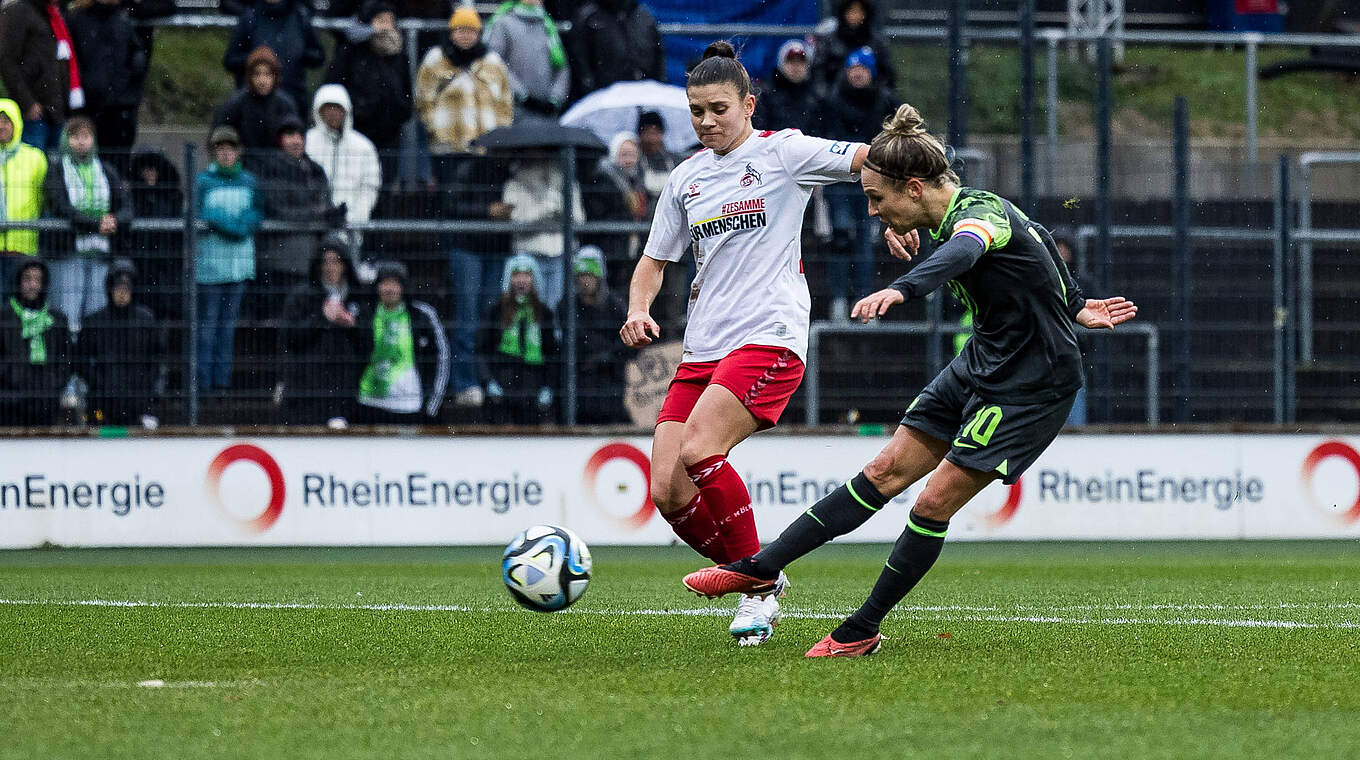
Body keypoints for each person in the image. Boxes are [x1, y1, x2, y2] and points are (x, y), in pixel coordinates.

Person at [682, 104, 1139, 658]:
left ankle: (861, 628)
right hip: (981, 362)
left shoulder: (976, 217)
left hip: (1030, 383)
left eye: (878, 199)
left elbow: (969, 248)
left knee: (932, 503)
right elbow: (1037, 234)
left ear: (915, 188)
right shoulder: (954, 216)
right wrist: (1073, 303)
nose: (874, 212)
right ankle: (760, 567)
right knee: (882, 471)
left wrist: (903, 288)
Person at [617, 41, 906, 646]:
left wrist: (900, 213)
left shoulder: (783, 153)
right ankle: (763, 574)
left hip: (768, 338)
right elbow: (653, 260)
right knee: (668, 492)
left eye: (718, 108)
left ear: (749, 104)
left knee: (701, 449)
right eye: (696, 111)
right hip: (703, 348)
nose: (706, 121)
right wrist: (638, 308)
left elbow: (865, 161)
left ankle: (754, 591)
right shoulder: (685, 179)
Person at [821, 45, 897, 319]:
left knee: (865, 241)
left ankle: (865, 302)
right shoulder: (832, 99)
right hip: (841, 182)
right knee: (841, 237)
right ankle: (840, 301)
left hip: (871, 183)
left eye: (862, 69)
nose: (857, 74)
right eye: (852, 69)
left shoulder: (885, 101)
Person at [42, 116, 131, 333]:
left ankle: (91, 366)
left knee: (96, 316)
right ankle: (68, 365)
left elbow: (127, 207)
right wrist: (96, 224)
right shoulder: (57, 170)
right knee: (67, 315)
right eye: (74, 136)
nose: (81, 142)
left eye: (86, 136)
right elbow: (61, 207)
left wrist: (114, 220)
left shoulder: (106, 171)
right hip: (68, 255)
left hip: (100, 255)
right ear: (66, 140)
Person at [195, 125, 262, 392]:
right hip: (210, 268)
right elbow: (202, 214)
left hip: (238, 267)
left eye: (229, 148)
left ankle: (221, 383)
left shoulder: (249, 182)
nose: (225, 153)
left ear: (238, 152)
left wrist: (227, 224)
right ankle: (203, 384)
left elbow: (255, 215)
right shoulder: (203, 182)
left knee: (227, 330)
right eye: (220, 149)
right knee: (208, 330)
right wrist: (235, 226)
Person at [323, 0, 412, 180]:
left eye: (389, 20)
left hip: (390, 133)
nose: (385, 26)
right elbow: (334, 86)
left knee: (385, 184)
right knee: (355, 180)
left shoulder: (399, 54)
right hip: (358, 130)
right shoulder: (350, 51)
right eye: (380, 20)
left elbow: (407, 92)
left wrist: (398, 110)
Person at [259, 115, 344, 307]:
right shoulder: (270, 169)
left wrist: (334, 214)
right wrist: (319, 214)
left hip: (311, 262)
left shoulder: (315, 170)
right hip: (280, 262)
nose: (296, 140)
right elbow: (279, 210)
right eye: (290, 135)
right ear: (280, 140)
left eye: (299, 135)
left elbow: (324, 205)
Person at [280, 237, 364, 426]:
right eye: (325, 261)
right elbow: (289, 337)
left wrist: (353, 326)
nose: (330, 267)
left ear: (345, 265)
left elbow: (368, 343)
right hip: (308, 390)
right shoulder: (301, 296)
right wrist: (321, 318)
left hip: (346, 390)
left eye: (336, 261)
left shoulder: (359, 296)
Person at [355, 260, 450, 424]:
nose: (389, 289)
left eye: (395, 283)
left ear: (404, 287)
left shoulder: (422, 315)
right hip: (369, 403)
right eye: (384, 283)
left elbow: (442, 358)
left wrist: (431, 405)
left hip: (410, 406)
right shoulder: (364, 313)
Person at [78, 258, 166, 428]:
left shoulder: (146, 320)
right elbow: (80, 360)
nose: (122, 293)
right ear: (109, 289)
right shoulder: (95, 321)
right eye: (117, 288)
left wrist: (147, 391)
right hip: (102, 403)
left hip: (139, 403)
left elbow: (157, 360)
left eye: (126, 288)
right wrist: (99, 383)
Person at [415, 6, 513, 155]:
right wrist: (434, 126)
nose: (465, 35)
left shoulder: (492, 61)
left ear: (479, 34)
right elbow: (423, 98)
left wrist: (499, 133)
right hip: (446, 144)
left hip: (485, 146)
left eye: (471, 31)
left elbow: (505, 101)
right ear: (451, 33)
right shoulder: (435, 58)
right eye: (460, 30)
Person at [65, 0, 149, 159]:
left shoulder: (123, 21)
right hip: (86, 107)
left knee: (116, 162)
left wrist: (123, 93)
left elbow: (136, 61)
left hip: (118, 109)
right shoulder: (77, 20)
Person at [501, 152, 585, 309]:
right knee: (532, 310)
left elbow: (579, 220)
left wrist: (561, 206)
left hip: (561, 256)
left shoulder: (568, 183)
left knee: (559, 309)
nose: (540, 160)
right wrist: (544, 211)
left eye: (544, 154)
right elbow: (516, 224)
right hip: (529, 257)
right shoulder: (514, 185)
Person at [306, 84, 381, 257]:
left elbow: (370, 187)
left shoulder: (364, 146)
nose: (332, 112)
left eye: (337, 107)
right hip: (314, 228)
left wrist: (355, 218)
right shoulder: (307, 142)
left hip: (350, 230)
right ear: (319, 111)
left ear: (346, 110)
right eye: (328, 107)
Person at [483, 253, 557, 425]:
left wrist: (548, 386)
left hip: (533, 391)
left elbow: (552, 352)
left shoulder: (544, 313)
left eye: (527, 275)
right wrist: (488, 381)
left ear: (534, 279)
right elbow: (483, 348)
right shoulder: (496, 311)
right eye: (516, 274)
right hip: (503, 390)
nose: (521, 280)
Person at [223, 0, 325, 117]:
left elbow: (318, 55)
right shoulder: (250, 17)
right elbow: (231, 59)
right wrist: (256, 60)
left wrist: (297, 55)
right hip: (255, 106)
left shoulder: (299, 16)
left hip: (293, 100)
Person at [0, 259, 70, 426]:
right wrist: (10, 379)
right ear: (18, 281)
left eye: (37, 280)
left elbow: (67, 358)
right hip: (10, 402)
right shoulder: (4, 316)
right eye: (27, 279)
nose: (32, 285)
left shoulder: (57, 318)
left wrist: (54, 384)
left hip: (46, 401)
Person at [0, 0, 75, 151]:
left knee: (54, 170)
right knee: (30, 167)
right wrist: (27, 103)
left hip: (54, 110)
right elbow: (6, 61)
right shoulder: (18, 10)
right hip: (32, 112)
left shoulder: (51, 13)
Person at [212, 46, 302, 167]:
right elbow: (219, 138)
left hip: (280, 169)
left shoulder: (285, 104)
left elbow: (294, 142)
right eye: (257, 74)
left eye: (267, 74)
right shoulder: (234, 104)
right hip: (242, 170)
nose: (262, 80)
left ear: (275, 76)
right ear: (249, 76)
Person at [483, 0, 570, 121]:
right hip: (512, 110)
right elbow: (494, 62)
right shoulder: (503, 23)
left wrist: (555, 98)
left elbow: (562, 67)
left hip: (546, 112)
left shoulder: (547, 25)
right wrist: (523, 96)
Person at [564, 0, 665, 102]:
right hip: (603, 98)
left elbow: (658, 60)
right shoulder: (587, 17)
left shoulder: (644, 16)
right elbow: (579, 65)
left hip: (641, 96)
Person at [572, 245, 628, 424]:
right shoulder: (568, 306)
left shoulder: (616, 306)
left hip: (610, 382)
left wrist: (603, 358)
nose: (585, 281)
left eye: (589, 275)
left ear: (599, 277)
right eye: (581, 276)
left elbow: (626, 344)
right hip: (580, 386)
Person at [0, 99, 49, 301]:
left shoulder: (35, 158)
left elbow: (42, 200)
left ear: (16, 123)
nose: (1, 126)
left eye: (6, 120)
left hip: (22, 249)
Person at [126, 149, 183, 319]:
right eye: (145, 170)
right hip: (141, 263)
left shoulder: (171, 197)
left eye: (153, 170)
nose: (149, 174)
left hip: (164, 264)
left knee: (162, 310)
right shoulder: (133, 197)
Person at [811, 0, 896, 97]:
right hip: (834, 101)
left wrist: (873, 92)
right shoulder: (828, 42)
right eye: (851, 11)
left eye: (859, 11)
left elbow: (887, 77)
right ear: (843, 13)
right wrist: (828, 97)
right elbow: (818, 74)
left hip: (869, 100)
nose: (855, 16)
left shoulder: (876, 43)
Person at [755, 39, 821, 134]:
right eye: (791, 62)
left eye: (801, 62)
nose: (796, 67)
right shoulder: (766, 94)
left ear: (808, 65)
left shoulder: (817, 96)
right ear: (781, 63)